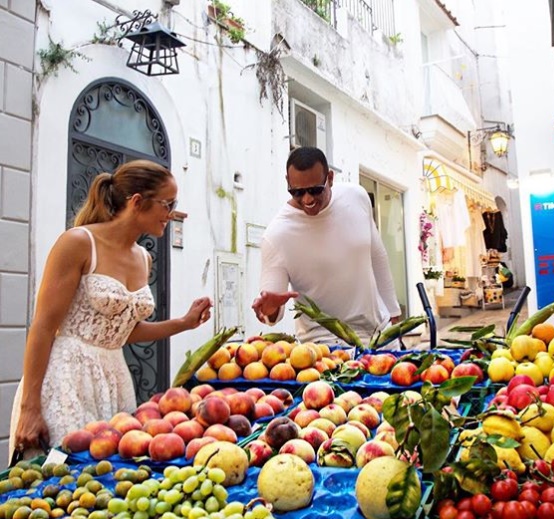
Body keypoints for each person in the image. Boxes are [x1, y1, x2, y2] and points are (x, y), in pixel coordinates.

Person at [9, 159, 212, 460]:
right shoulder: (78, 243)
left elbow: (121, 333)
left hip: (114, 379)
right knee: (61, 478)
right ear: (137, 202)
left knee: (108, 481)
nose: (171, 214)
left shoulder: (143, 258)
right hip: (66, 379)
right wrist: (30, 407)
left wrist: (184, 322)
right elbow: (43, 326)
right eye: (167, 204)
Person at [252, 146, 401, 345]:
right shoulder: (277, 235)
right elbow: (272, 311)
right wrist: (269, 310)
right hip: (325, 347)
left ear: (330, 178)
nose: (307, 199)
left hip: (380, 335)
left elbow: (377, 256)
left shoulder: (356, 197)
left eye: (315, 190)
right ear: (287, 182)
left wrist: (393, 313)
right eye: (297, 192)